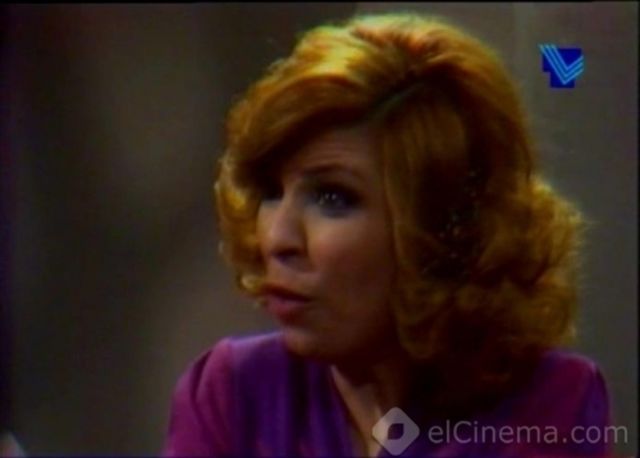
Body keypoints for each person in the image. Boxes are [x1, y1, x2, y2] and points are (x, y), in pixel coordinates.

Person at [162, 12, 612, 457]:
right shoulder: (233, 392)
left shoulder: (550, 401)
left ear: (440, 226)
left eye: (332, 198)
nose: (277, 239)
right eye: (271, 192)